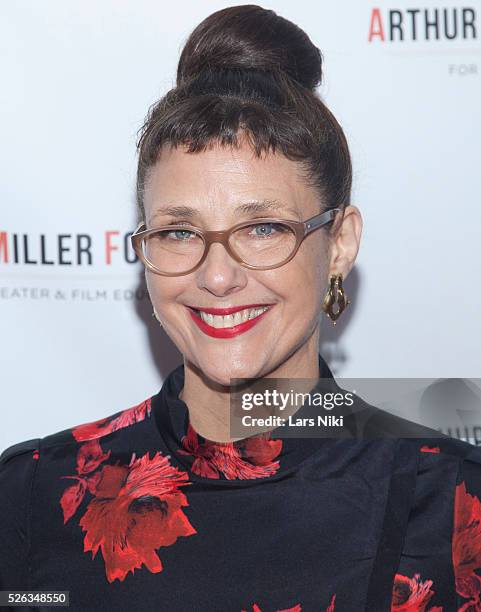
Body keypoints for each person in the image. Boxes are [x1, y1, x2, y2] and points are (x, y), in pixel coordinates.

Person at [1, 5, 480, 611]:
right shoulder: (32, 495)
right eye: (179, 233)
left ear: (339, 244)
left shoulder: (454, 502)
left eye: (263, 228)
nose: (218, 275)